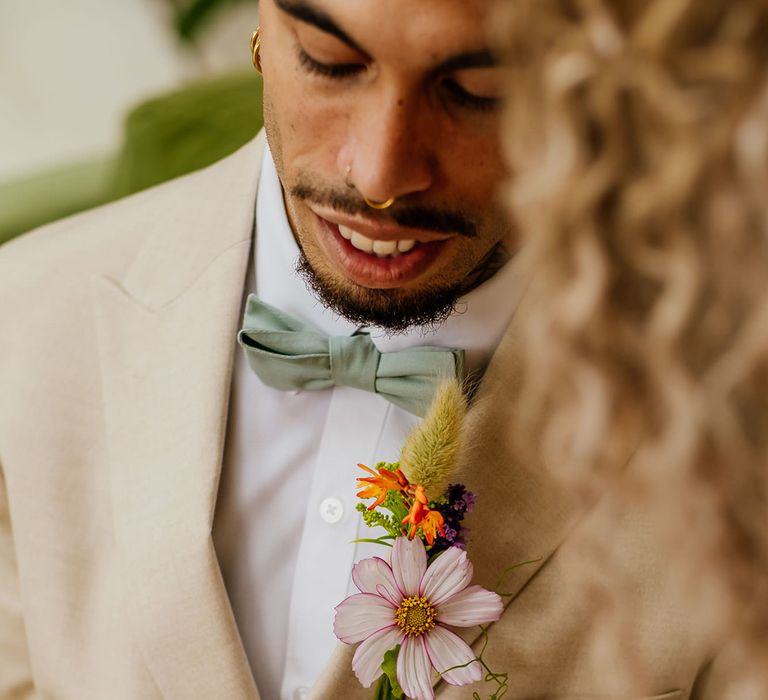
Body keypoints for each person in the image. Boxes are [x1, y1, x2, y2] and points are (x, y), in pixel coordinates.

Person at [0, 1, 754, 699]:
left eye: (479, 89)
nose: (381, 174)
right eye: (329, 61)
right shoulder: (25, 320)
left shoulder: (735, 412)